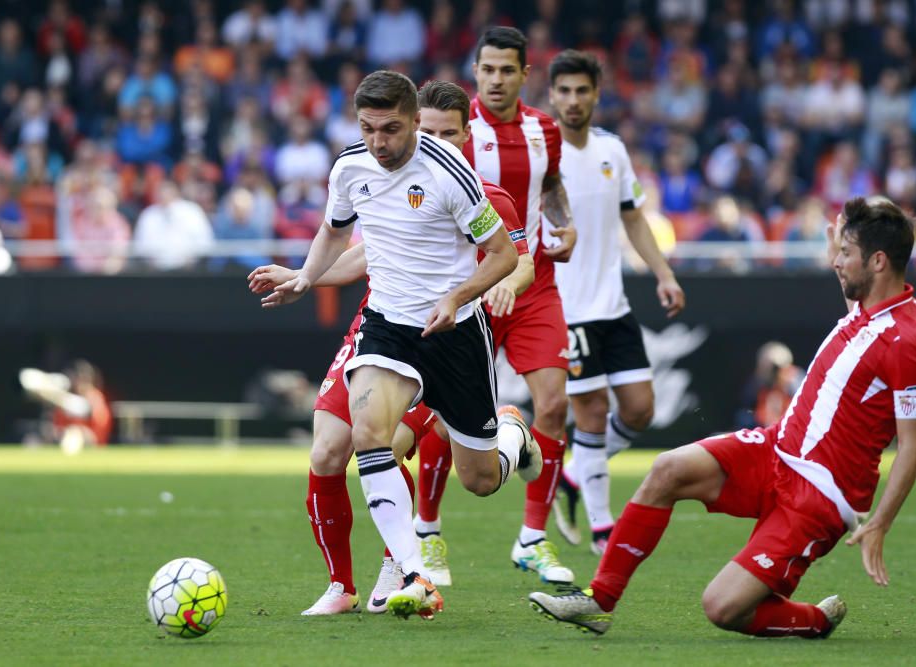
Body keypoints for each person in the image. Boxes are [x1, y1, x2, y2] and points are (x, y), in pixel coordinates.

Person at [528, 196, 916, 638]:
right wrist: (839, 246)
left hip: (820, 496)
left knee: (722, 608)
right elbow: (855, 283)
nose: (837, 262)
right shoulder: (866, 304)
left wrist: (880, 521)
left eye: (846, 254)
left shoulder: (912, 339)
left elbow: (913, 443)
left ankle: (816, 620)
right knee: (668, 469)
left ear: (878, 261)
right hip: (776, 449)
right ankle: (598, 601)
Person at [248, 79, 535, 613]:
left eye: (391, 129)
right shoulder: (349, 168)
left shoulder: (452, 175)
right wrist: (306, 278)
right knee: (367, 435)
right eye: (368, 128)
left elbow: (500, 255)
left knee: (479, 479)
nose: (378, 142)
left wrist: (458, 296)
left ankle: (514, 437)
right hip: (387, 324)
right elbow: (338, 233)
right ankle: (414, 575)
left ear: (411, 122)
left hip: (453, 333)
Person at [425, 25, 577, 585]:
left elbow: (551, 186)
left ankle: (533, 539)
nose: (494, 80)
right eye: (486, 69)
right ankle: (428, 532)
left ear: (524, 74)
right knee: (444, 421)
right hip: (470, 284)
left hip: (533, 283)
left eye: (505, 70)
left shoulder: (544, 130)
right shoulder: (448, 127)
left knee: (556, 405)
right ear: (475, 72)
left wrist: (565, 223)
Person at [542, 50, 686, 557]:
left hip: (614, 303)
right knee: (593, 412)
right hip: (567, 305)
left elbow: (633, 219)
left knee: (641, 410)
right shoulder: (544, 152)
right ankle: (604, 528)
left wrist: (663, 273)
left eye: (583, 90)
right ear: (553, 95)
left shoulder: (613, 150)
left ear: (597, 95)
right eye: (565, 91)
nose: (574, 100)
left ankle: (577, 473)